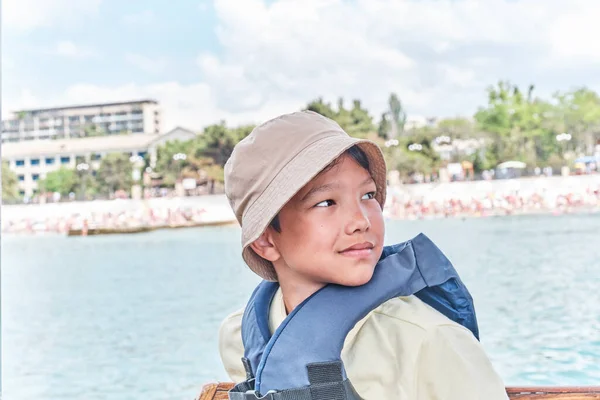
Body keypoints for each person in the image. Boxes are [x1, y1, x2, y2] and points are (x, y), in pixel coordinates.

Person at [219, 111, 508, 399]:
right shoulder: (239, 338)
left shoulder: (427, 339)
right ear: (265, 240)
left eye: (368, 196)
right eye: (326, 202)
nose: (361, 220)